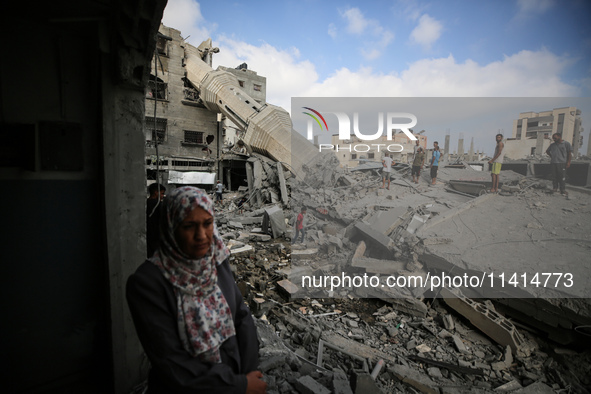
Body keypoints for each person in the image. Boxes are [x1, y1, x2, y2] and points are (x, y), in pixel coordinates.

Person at [127, 186, 266, 394]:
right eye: (189, 226)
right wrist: (238, 386)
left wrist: (248, 373)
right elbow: (172, 363)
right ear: (171, 227)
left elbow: (242, 316)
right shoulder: (148, 284)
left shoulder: (216, 262)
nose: (201, 235)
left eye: (207, 224)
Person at [146, 183, 166, 257]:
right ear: (156, 192)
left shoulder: (145, 203)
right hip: (157, 238)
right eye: (162, 193)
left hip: (148, 237)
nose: (163, 196)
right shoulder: (159, 205)